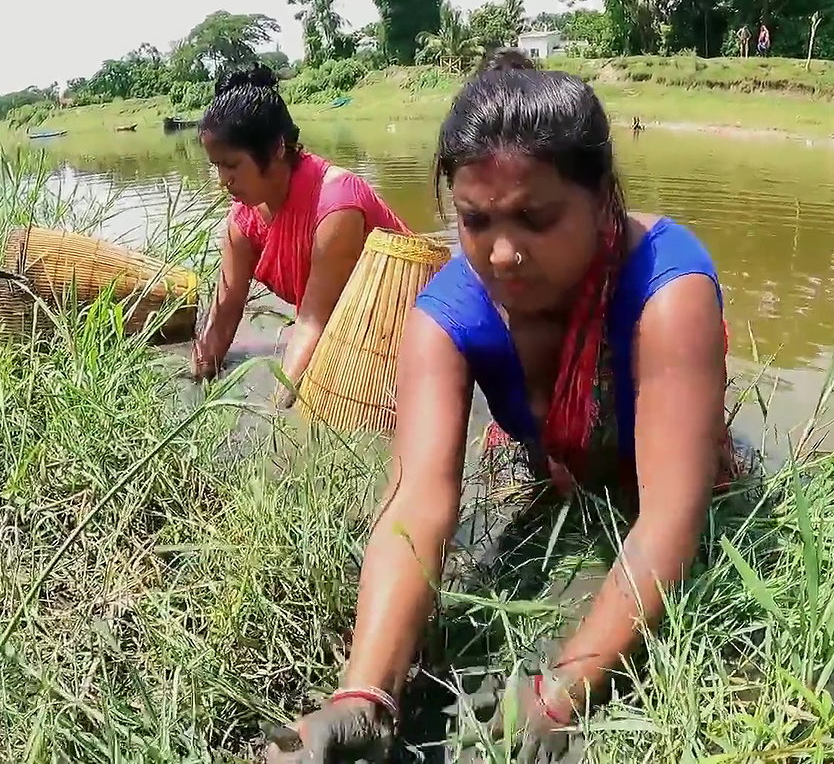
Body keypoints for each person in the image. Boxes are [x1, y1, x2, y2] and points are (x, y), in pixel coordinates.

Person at [266, 50, 741, 763]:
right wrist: (362, 695)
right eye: (476, 221)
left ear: (603, 197)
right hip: (558, 477)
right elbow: (415, 505)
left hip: (664, 487)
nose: (504, 253)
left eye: (536, 218)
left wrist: (563, 690)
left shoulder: (668, 291)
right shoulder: (445, 318)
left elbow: (671, 517)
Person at [191, 64, 412, 406]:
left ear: (277, 148)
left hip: (407, 328)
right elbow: (224, 311)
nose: (222, 179)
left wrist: (277, 417)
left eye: (232, 165)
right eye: (216, 166)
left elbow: (311, 322)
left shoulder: (335, 205)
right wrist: (197, 384)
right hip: (346, 332)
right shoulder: (243, 219)